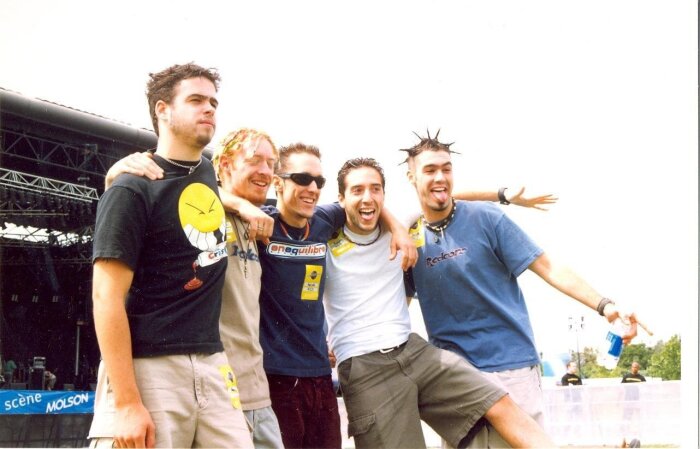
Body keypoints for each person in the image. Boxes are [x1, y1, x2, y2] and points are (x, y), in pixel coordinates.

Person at [402, 131, 642, 448]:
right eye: (430, 170)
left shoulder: (486, 218)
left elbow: (549, 267)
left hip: (511, 368)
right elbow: (398, 308)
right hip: (457, 378)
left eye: (446, 169)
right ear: (411, 176)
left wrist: (605, 306)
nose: (440, 177)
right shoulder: (406, 238)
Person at [323, 157, 556, 448]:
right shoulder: (325, 241)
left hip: (412, 349)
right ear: (340, 198)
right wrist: (322, 338)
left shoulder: (400, 222)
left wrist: (503, 195)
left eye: (375, 189)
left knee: (499, 404)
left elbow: (444, 196)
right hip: (363, 363)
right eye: (357, 190)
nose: (368, 197)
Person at [88, 63, 252, 449]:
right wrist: (127, 403)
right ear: (162, 110)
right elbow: (105, 298)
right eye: (195, 100)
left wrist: (245, 206)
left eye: (213, 102)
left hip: (213, 364)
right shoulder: (130, 189)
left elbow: (202, 187)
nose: (209, 108)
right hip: (150, 367)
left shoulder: (207, 173)